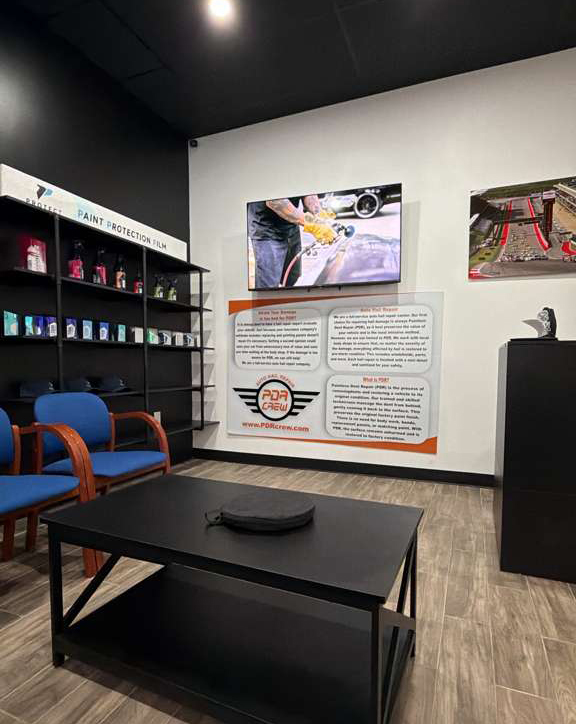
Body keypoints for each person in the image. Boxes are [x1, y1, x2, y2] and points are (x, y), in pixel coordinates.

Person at [248, 195, 336, 288]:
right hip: (267, 230)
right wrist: (312, 223)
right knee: (269, 286)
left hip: (291, 226)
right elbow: (275, 201)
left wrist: (319, 215)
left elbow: (307, 192)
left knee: (293, 280)